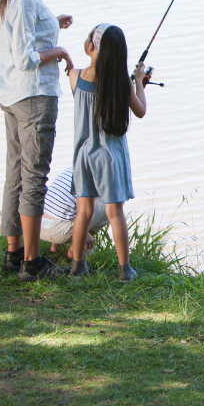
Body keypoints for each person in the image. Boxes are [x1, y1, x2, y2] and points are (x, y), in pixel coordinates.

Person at [0, 0, 73, 281]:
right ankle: (32, 261)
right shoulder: (25, 2)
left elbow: (18, 38)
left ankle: (14, 253)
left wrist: (53, 23)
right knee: (34, 176)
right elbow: (26, 58)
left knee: (15, 172)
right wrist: (61, 52)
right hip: (34, 98)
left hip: (9, 95)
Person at [67, 24, 147, 282]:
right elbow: (141, 110)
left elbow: (77, 81)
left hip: (83, 157)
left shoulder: (75, 77)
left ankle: (77, 267)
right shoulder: (121, 84)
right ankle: (125, 270)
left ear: (92, 46)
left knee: (84, 212)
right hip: (110, 160)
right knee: (115, 213)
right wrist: (138, 82)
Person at [41, 167, 110, 258]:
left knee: (67, 200)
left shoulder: (73, 168)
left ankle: (56, 246)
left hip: (38, 226)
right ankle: (78, 248)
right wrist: (84, 232)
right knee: (111, 204)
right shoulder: (98, 176)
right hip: (60, 230)